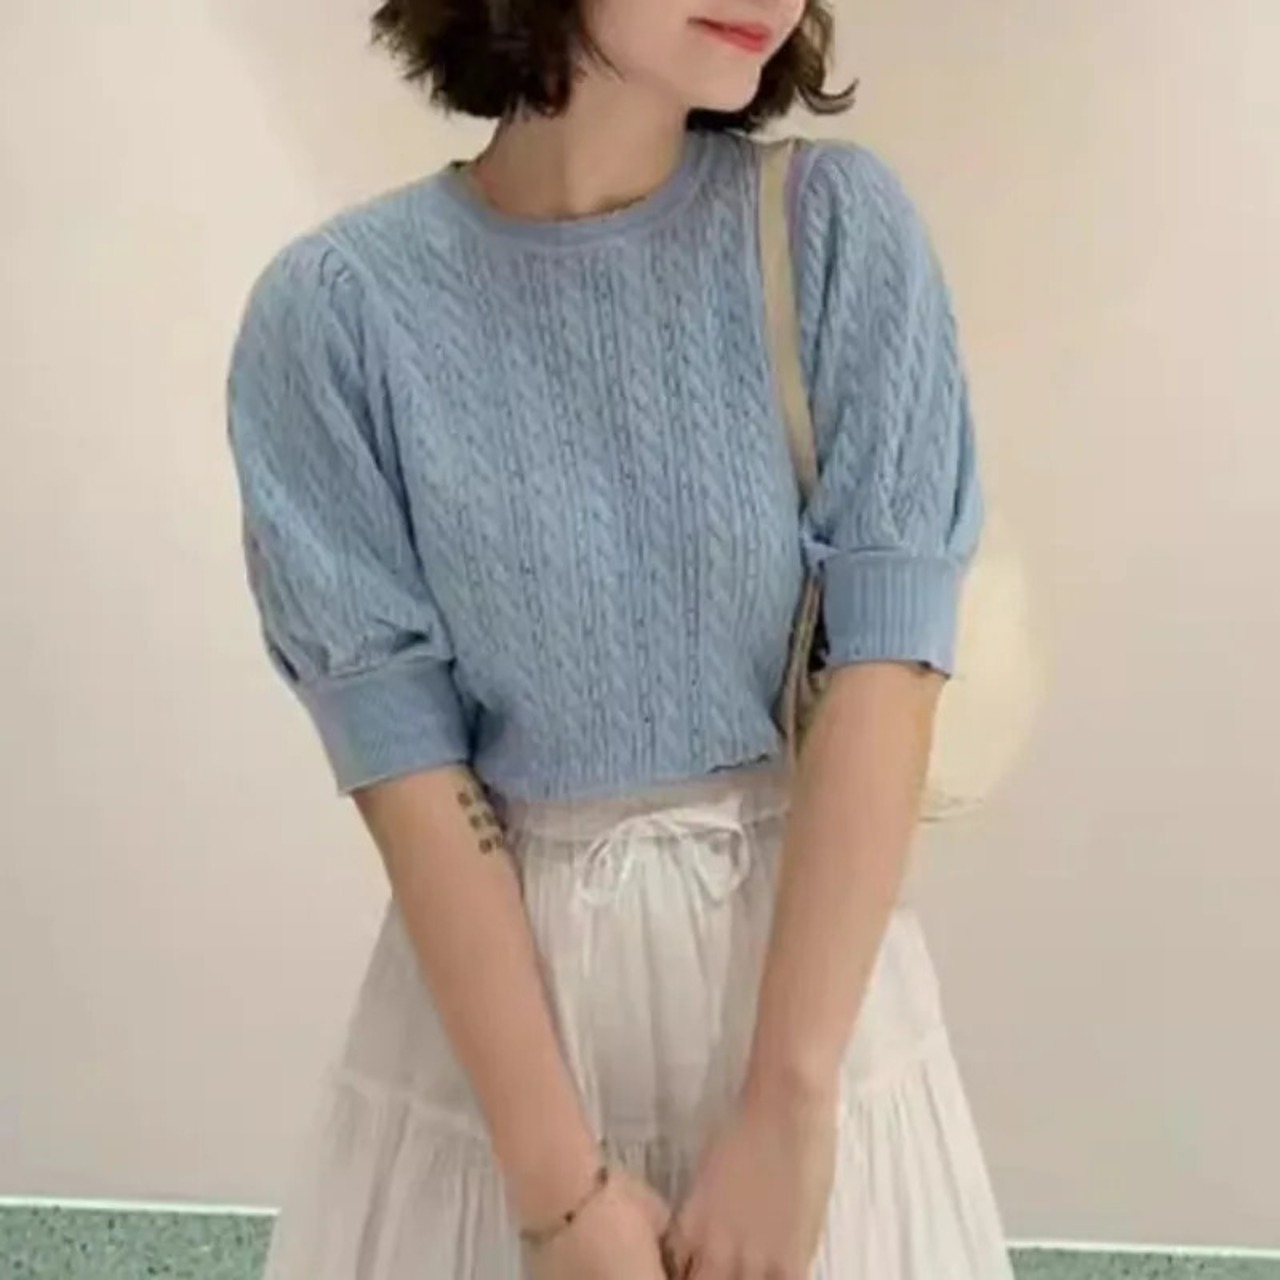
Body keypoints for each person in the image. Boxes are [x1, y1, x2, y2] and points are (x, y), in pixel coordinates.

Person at [226, 1, 1015, 1277]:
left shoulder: (834, 231)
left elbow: (887, 667)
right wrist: (556, 1189)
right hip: (504, 1063)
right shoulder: (335, 317)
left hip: (807, 1018)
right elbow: (408, 770)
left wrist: (790, 1104)